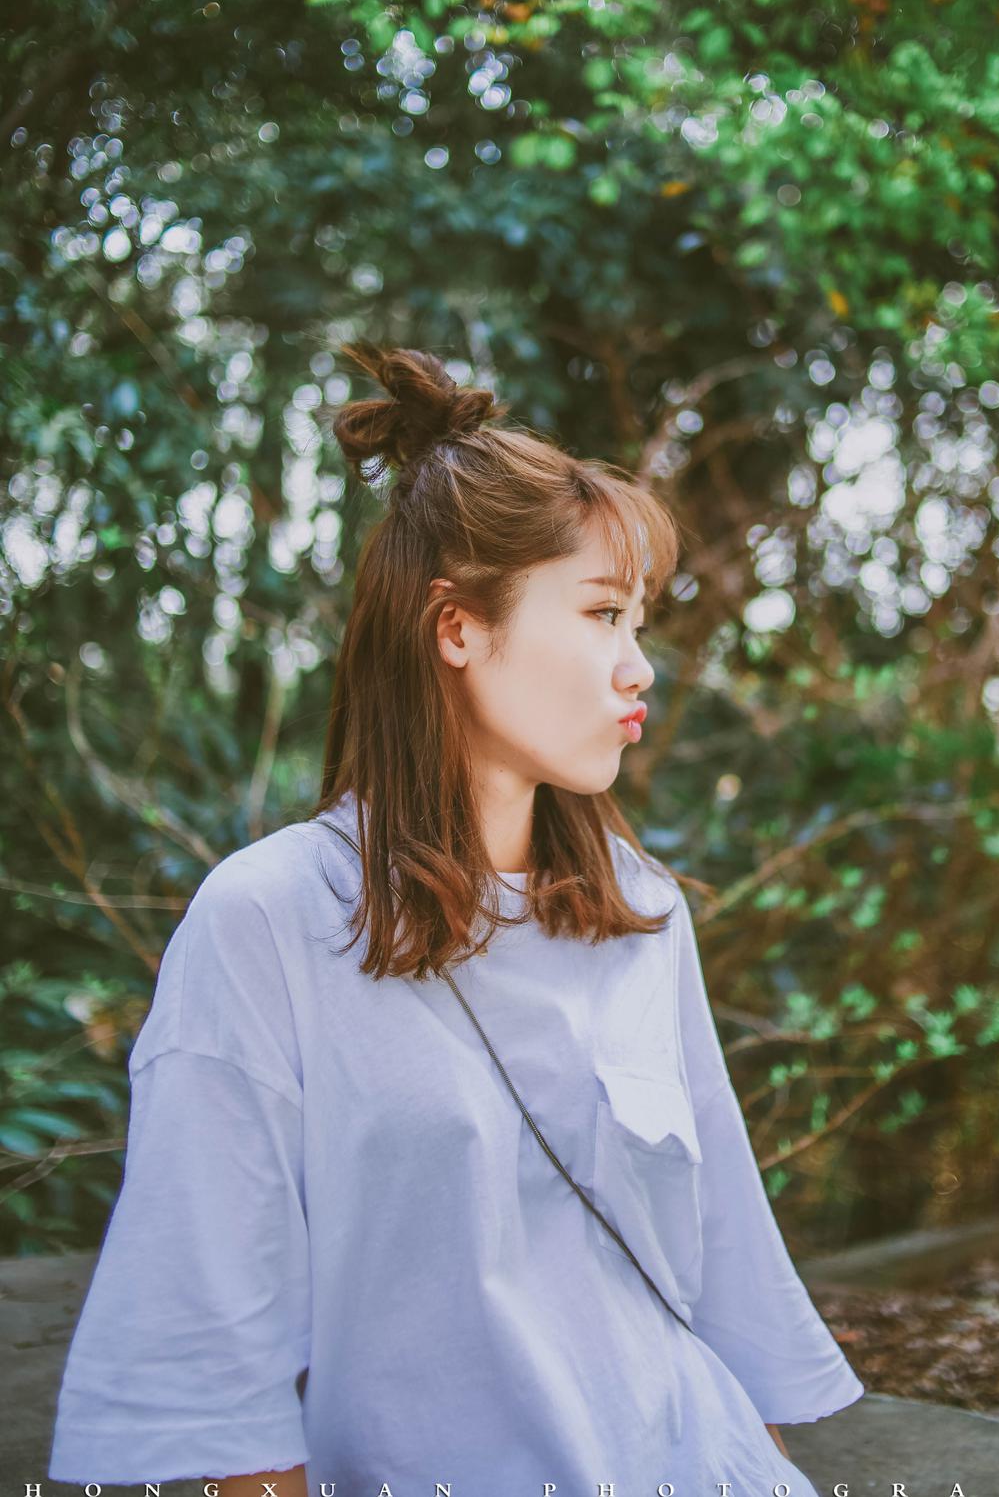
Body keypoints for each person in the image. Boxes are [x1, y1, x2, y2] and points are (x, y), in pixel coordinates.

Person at [48, 344, 864, 1496]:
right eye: (601, 614)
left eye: (638, 622)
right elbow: (211, 1357)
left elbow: (723, 1263)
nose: (638, 668)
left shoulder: (640, 911)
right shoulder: (268, 919)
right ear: (457, 630)